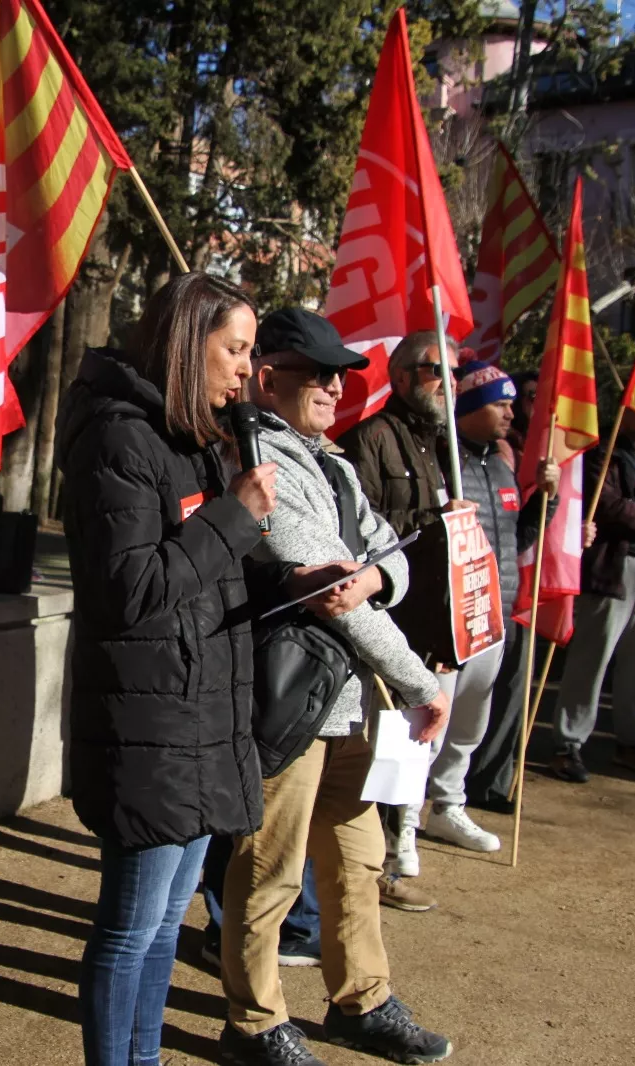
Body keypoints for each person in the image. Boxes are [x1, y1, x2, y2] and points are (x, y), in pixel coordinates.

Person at [54, 271, 286, 1066]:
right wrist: (235, 517)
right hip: (146, 724)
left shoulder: (193, 442)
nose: (246, 370)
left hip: (197, 721)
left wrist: (294, 579)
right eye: (235, 349)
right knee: (128, 931)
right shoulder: (119, 437)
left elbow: (207, 576)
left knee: (163, 926)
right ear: (190, 344)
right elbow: (133, 591)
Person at [219, 308, 452, 1066]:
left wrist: (381, 573)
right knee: (271, 865)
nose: (333, 385)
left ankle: (363, 999)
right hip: (292, 695)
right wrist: (420, 682)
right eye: (316, 372)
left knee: (358, 858)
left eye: (341, 373)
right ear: (268, 377)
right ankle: (254, 1020)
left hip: (346, 697)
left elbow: (392, 559)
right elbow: (332, 590)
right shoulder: (259, 456)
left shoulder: (333, 460)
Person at [337, 329, 462, 895]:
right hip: (388, 615)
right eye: (438, 371)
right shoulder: (371, 438)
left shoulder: (441, 444)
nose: (447, 384)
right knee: (378, 745)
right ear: (404, 376)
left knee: (411, 741)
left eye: (453, 373)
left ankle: (395, 851)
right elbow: (363, 533)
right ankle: (374, 867)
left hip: (430, 617)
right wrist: (435, 527)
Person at [422, 363, 560, 852]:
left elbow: (520, 538)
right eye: (500, 404)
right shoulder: (442, 460)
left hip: (492, 615)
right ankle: (401, 822)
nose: (510, 411)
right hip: (450, 617)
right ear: (471, 408)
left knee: (470, 723)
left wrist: (548, 500)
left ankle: (448, 805)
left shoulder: (502, 463)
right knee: (430, 726)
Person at [550, 409, 635, 781]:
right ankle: (568, 743)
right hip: (612, 570)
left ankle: (631, 741)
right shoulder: (602, 453)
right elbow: (611, 506)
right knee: (592, 659)